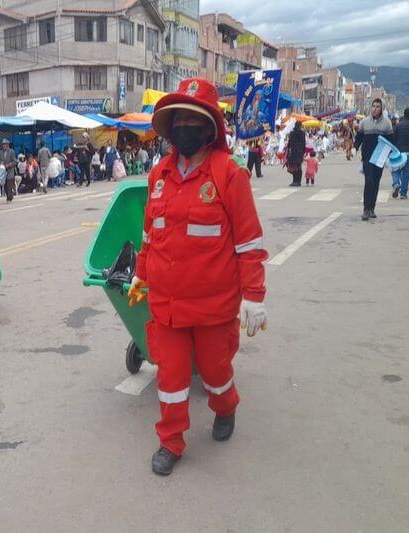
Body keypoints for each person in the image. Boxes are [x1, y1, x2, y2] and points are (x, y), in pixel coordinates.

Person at [126, 77, 268, 476]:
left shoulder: (229, 175)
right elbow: (149, 235)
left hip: (213, 308)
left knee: (215, 372)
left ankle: (227, 407)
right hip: (167, 306)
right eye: (178, 120)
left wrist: (254, 296)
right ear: (169, 128)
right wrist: (141, 275)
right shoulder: (158, 176)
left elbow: (248, 243)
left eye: (193, 119)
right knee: (169, 376)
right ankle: (170, 441)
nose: (184, 127)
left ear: (209, 128)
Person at [355, 98, 394, 220]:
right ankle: (366, 209)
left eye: (378, 106)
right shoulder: (364, 122)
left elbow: (391, 141)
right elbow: (359, 138)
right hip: (367, 157)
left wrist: (390, 157)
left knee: (376, 183)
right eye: (373, 106)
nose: (375, 109)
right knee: (369, 181)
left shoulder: (387, 123)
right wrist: (354, 148)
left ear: (382, 109)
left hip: (380, 158)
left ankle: (372, 208)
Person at [391, 107, 409, 200]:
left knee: (395, 171)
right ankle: (403, 193)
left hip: (399, 153)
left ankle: (396, 184)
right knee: (407, 173)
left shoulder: (398, 126)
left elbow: (393, 138)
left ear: (404, 114)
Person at [285, 121, 306, 187]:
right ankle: (299, 181)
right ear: (300, 126)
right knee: (299, 167)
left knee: (294, 167)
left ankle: (294, 181)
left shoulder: (292, 133)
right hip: (300, 152)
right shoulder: (302, 133)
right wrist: (303, 152)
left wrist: (288, 148)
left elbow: (289, 143)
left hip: (293, 151)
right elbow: (304, 143)